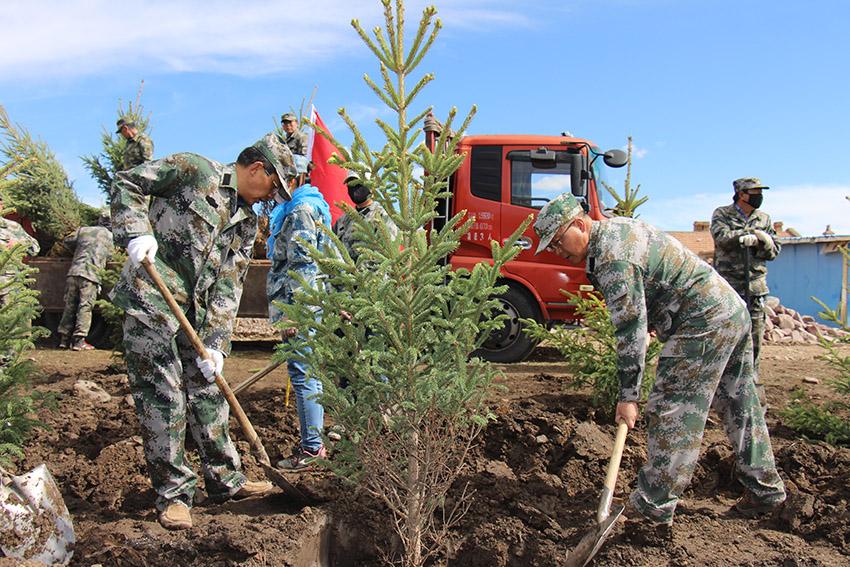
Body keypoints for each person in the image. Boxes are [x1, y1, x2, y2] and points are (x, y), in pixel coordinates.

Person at [533, 193, 786, 540]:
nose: (556, 251)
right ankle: (765, 491)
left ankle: (652, 507)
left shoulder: (611, 258)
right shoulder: (617, 230)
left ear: (579, 224)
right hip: (730, 310)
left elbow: (628, 329)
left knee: (673, 409)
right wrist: (654, 319)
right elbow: (656, 278)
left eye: (558, 240)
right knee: (739, 402)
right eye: (549, 246)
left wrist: (628, 394)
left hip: (703, 321)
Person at [109, 132, 293, 530]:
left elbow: (231, 284)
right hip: (152, 303)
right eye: (272, 187)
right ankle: (174, 495)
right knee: (164, 395)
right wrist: (135, 231)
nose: (269, 196)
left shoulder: (247, 222)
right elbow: (128, 181)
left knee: (210, 391)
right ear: (257, 168)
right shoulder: (194, 170)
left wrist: (217, 346)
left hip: (197, 319)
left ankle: (226, 481)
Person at [267, 154, 332, 470]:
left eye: (278, 182)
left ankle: (311, 448)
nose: (273, 190)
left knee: (304, 373)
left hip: (301, 305)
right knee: (309, 373)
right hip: (306, 304)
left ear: (292, 180)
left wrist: (296, 312)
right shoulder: (305, 208)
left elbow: (303, 264)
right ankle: (315, 444)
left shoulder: (301, 212)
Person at [710, 178, 780, 393]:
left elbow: (774, 251)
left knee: (755, 340)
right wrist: (743, 236)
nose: (759, 196)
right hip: (729, 287)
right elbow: (721, 237)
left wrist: (764, 241)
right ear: (742, 194)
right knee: (725, 336)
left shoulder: (764, 219)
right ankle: (720, 385)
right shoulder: (722, 214)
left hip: (756, 287)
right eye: (754, 192)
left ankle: (750, 386)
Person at [57, 211, 114, 351]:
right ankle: (79, 341)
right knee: (85, 307)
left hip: (74, 271)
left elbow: (66, 242)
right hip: (91, 275)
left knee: (70, 305)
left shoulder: (83, 230)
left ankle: (64, 340)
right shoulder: (111, 237)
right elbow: (112, 257)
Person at [333, 171, 398, 263]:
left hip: (372, 276)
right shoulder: (343, 220)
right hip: (343, 276)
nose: (354, 188)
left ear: (370, 187)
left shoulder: (382, 216)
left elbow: (388, 253)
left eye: (358, 184)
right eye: (350, 185)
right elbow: (332, 248)